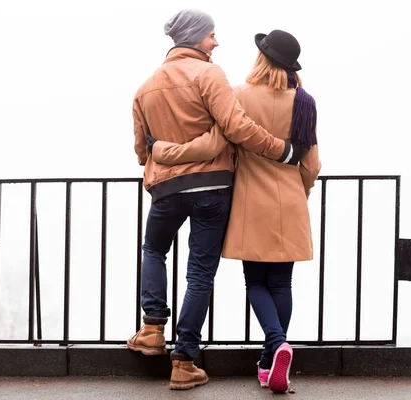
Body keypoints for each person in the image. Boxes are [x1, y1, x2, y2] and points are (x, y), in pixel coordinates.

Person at [127, 10, 302, 391]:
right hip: (211, 189)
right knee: (200, 274)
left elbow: (143, 152)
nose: (216, 42)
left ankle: (153, 328)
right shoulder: (210, 75)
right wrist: (282, 151)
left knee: (153, 250)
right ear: (195, 37)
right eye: (210, 35)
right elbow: (236, 128)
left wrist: (168, 153)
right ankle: (184, 360)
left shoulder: (145, 88)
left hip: (167, 190)